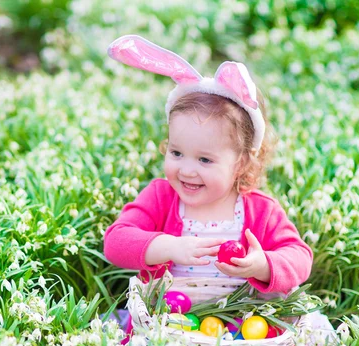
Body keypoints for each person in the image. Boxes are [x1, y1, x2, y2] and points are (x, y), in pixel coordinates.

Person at [103, 35, 312, 294]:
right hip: (167, 323)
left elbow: (300, 257)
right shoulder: (161, 197)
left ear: (241, 163)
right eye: (176, 153)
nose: (187, 170)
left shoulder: (260, 211)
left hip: (241, 326)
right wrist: (168, 247)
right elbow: (115, 241)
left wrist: (262, 265)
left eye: (204, 159)